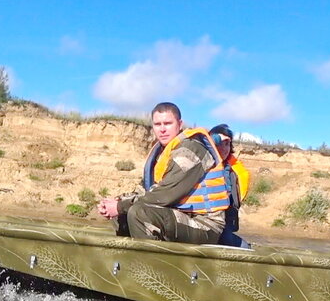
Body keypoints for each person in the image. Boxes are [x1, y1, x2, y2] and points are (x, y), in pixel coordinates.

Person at [96, 102, 230, 244]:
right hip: (182, 215)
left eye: (167, 123)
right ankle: (127, 260)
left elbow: (165, 194)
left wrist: (119, 207)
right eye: (157, 124)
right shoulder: (162, 153)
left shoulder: (191, 149)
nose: (162, 129)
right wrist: (117, 201)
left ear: (179, 124)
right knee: (122, 214)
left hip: (205, 224)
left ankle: (149, 265)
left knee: (139, 213)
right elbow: (145, 190)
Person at [208, 123, 251, 248]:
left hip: (225, 227)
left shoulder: (230, 171)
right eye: (220, 143)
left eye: (227, 144)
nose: (224, 148)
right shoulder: (203, 166)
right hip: (208, 226)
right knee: (245, 249)